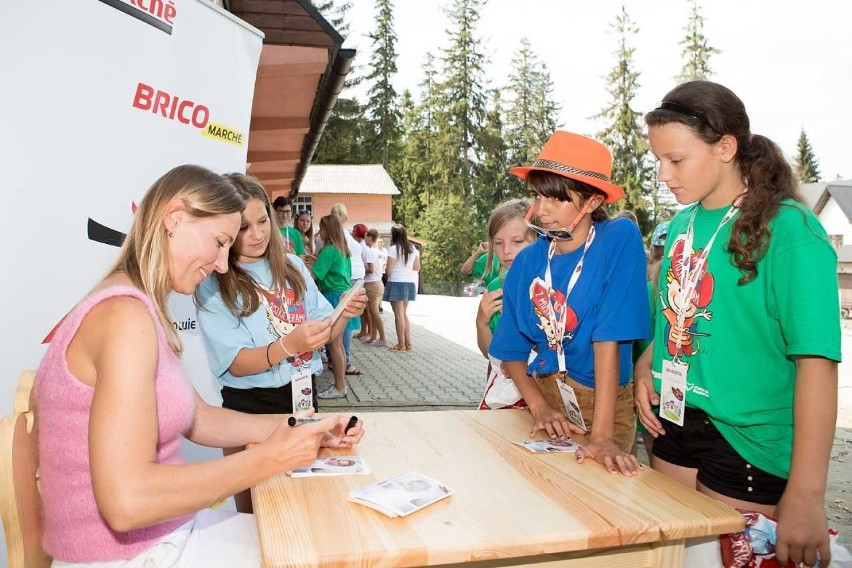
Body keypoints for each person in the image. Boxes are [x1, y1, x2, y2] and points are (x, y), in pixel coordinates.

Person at [34, 165, 364, 566]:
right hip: (131, 555)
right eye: (220, 242)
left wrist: (302, 430)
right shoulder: (125, 317)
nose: (223, 264)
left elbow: (200, 418)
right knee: (313, 548)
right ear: (175, 219)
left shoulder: (134, 305)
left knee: (309, 536)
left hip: (161, 538)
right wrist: (268, 459)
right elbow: (127, 501)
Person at [634, 80, 840, 567]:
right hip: (674, 423)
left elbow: (818, 364)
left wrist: (807, 494)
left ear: (725, 147)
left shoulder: (791, 229)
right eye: (657, 161)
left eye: (676, 160)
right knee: (680, 561)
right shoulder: (681, 224)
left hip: (749, 439)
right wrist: (647, 365)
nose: (664, 174)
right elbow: (673, 319)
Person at [195, 174, 367, 512]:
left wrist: (344, 314)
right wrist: (288, 346)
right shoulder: (213, 283)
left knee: (302, 502)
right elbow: (236, 363)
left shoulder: (292, 266)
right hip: (248, 403)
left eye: (262, 221)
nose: (257, 234)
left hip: (302, 393)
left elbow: (323, 331)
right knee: (255, 511)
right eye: (244, 227)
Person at [489, 131, 650, 477]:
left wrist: (603, 436)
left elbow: (609, 336)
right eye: (537, 195)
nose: (542, 210)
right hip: (547, 397)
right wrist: (539, 407)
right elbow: (511, 350)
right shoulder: (529, 260)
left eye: (557, 199)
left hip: (603, 402)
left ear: (592, 202)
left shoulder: (618, 239)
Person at [475, 198, 537, 359]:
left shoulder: (555, 285)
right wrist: (481, 323)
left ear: (539, 238)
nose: (507, 250)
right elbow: (489, 355)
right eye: (498, 243)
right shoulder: (496, 288)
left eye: (517, 241)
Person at [312, 214, 359, 397]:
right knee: (337, 345)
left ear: (328, 230)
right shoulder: (342, 250)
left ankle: (340, 386)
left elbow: (314, 277)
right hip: (342, 295)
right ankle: (340, 385)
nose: (320, 232)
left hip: (333, 297)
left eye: (322, 228)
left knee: (334, 344)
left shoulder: (328, 250)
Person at [328, 203, 364, 373]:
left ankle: (341, 363)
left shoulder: (339, 238)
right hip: (344, 281)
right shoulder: (339, 239)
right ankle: (343, 363)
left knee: (342, 327)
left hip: (345, 281)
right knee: (343, 327)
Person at [382, 224, 421, 351]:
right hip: (409, 283)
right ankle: (408, 343)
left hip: (396, 282)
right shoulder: (413, 249)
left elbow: (388, 270)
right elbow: (417, 267)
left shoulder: (393, 249)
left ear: (394, 235)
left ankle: (400, 344)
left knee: (398, 314)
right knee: (403, 314)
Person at [362, 228, 387, 345]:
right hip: (378, 282)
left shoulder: (370, 251)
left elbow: (371, 269)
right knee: (373, 312)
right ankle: (373, 336)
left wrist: (362, 271)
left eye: (366, 237)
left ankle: (382, 337)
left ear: (370, 238)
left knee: (374, 312)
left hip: (372, 283)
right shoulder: (379, 251)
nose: (364, 239)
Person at [352, 223, 374, 341]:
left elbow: (370, 268)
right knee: (364, 310)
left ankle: (369, 332)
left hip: (367, 280)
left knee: (368, 310)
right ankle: (364, 330)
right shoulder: (360, 246)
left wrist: (359, 271)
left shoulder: (363, 248)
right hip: (364, 280)